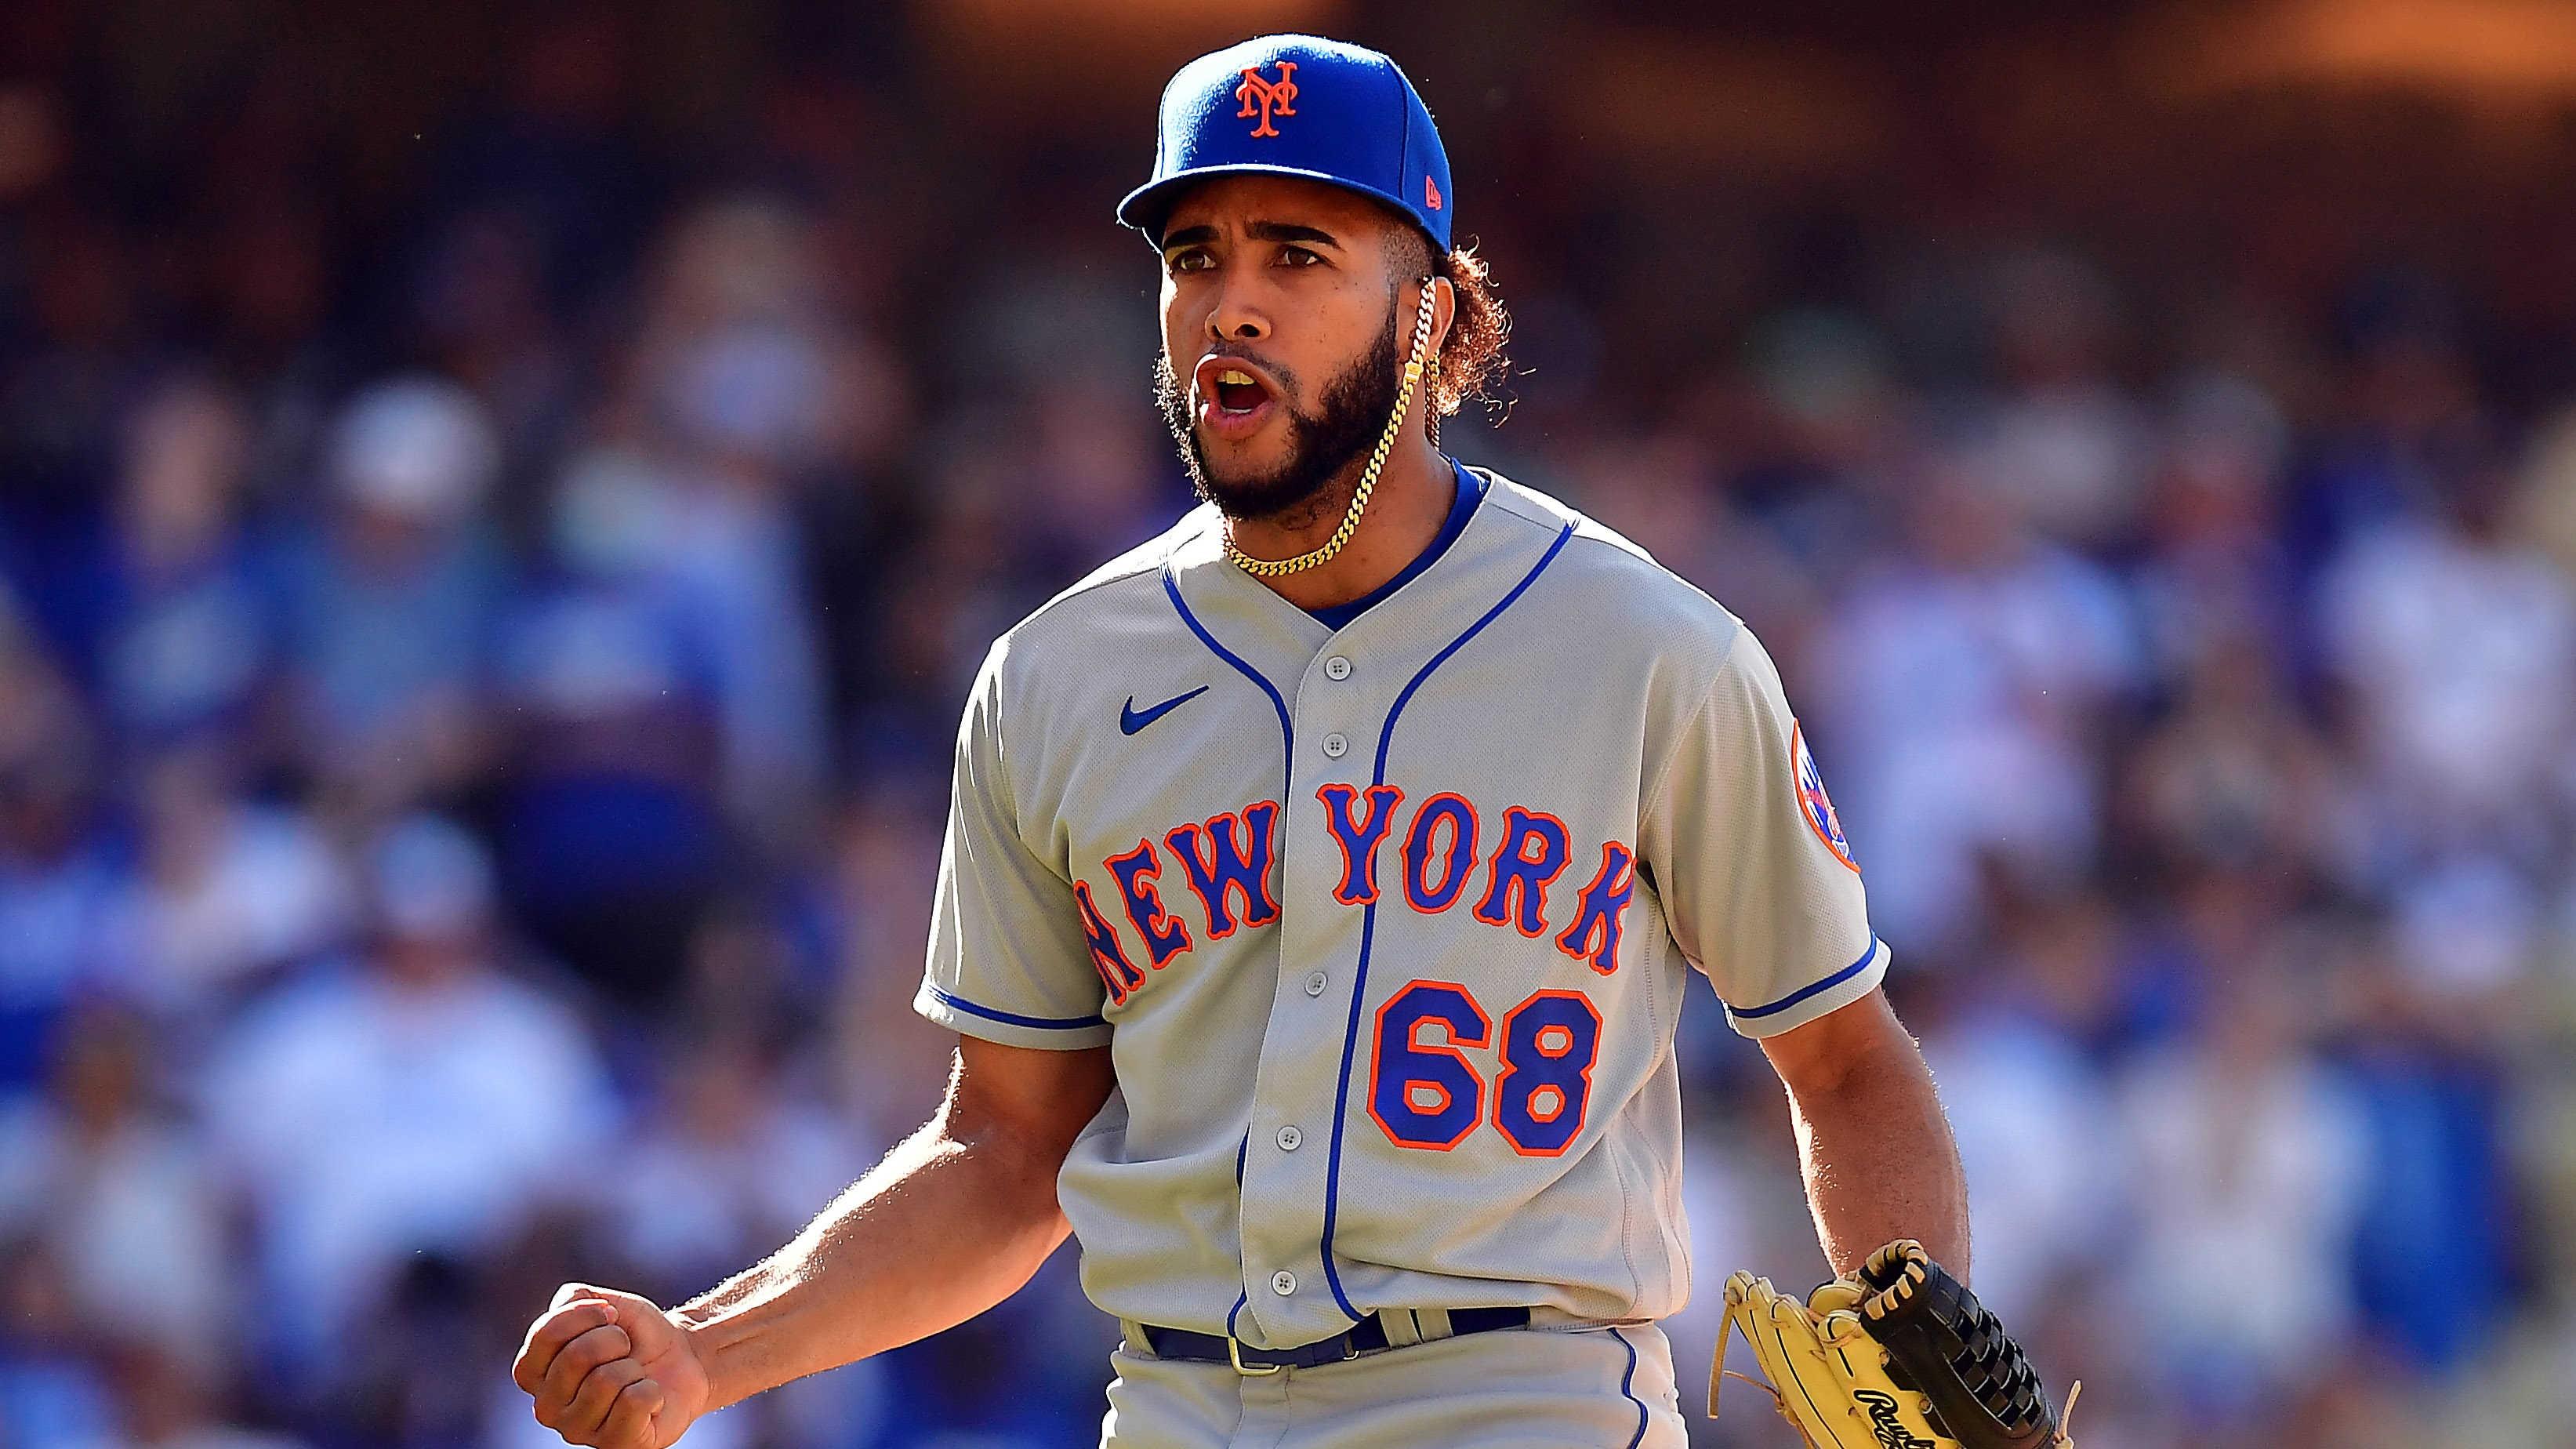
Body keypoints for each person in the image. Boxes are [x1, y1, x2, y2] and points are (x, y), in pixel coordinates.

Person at [514, 34, 1968, 1448]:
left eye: (1297, 254)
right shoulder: (1058, 675)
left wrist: (1933, 1398)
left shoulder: (1649, 650)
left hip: (1518, 1396)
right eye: (1193, 256)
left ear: (1436, 320)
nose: (1230, 306)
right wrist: (707, 1353)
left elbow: (1842, 1061)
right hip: (1176, 1402)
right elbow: (1005, 1154)